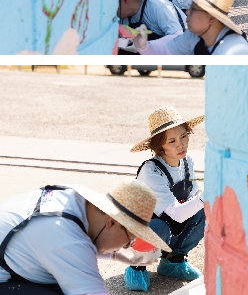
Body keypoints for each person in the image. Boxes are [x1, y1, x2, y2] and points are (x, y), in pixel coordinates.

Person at [0, 179, 170, 295]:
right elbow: (72, 249)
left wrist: (119, 256)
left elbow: (74, 243)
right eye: (129, 241)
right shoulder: (67, 238)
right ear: (112, 222)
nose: (126, 246)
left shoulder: (73, 201)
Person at [125, 106, 205, 291]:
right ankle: (136, 266)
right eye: (172, 141)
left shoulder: (187, 161)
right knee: (159, 227)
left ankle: (173, 261)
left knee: (205, 211)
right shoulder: (151, 171)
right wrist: (203, 198)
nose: (181, 145)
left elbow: (194, 194)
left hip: (172, 222)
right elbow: (176, 214)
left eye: (184, 136)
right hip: (145, 229)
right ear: (159, 145)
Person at [133, 0, 248, 55]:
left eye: (193, 9)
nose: (187, 12)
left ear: (211, 18)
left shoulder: (234, 52)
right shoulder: (193, 36)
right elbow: (164, 52)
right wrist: (143, 45)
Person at [117, 0, 187, 54]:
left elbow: (178, 37)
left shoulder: (157, 6)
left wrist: (144, 46)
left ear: (125, 0)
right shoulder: (123, 16)